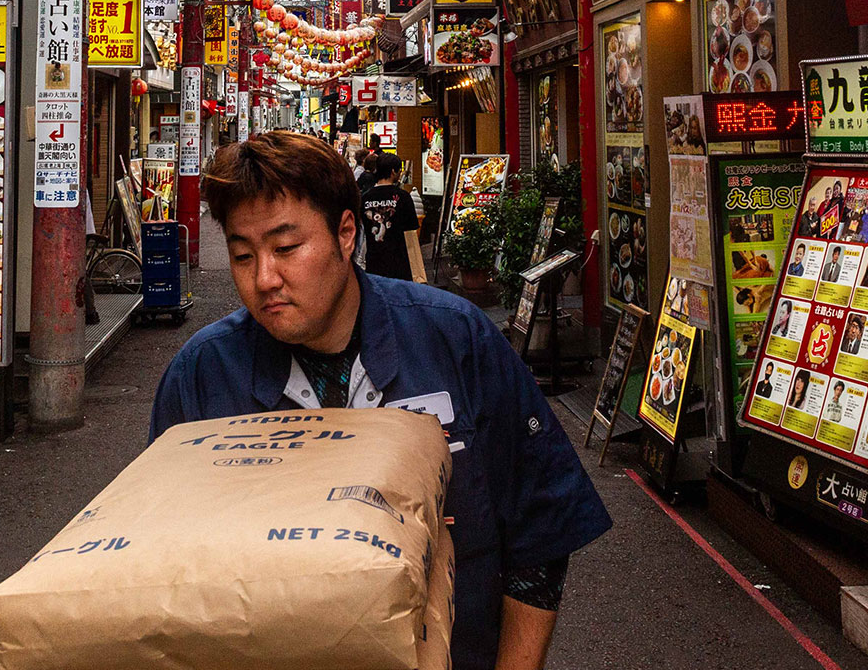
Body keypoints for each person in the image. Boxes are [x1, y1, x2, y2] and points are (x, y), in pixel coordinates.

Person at [151, 133, 610, 670]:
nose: (264, 279)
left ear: (346, 233)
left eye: (286, 248)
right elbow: (163, 570)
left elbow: (541, 525)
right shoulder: (201, 378)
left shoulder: (455, 339)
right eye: (242, 255)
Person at [358, 152, 424, 283]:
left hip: (374, 261)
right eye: (399, 170)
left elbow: (361, 229)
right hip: (400, 263)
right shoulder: (404, 197)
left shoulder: (365, 198)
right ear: (393, 171)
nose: (400, 173)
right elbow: (411, 233)